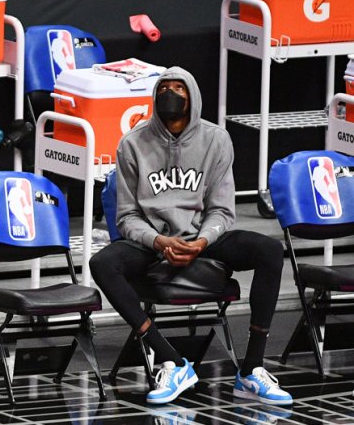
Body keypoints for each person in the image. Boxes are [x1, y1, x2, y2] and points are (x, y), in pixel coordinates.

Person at [89, 67, 292, 406]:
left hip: (201, 237)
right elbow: (126, 217)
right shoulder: (132, 144)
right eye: (163, 88)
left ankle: (252, 370)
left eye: (178, 88)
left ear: (193, 96)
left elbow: (222, 210)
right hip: (154, 242)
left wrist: (202, 241)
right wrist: (158, 241)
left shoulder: (216, 140)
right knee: (102, 263)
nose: (169, 94)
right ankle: (171, 360)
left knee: (270, 249)